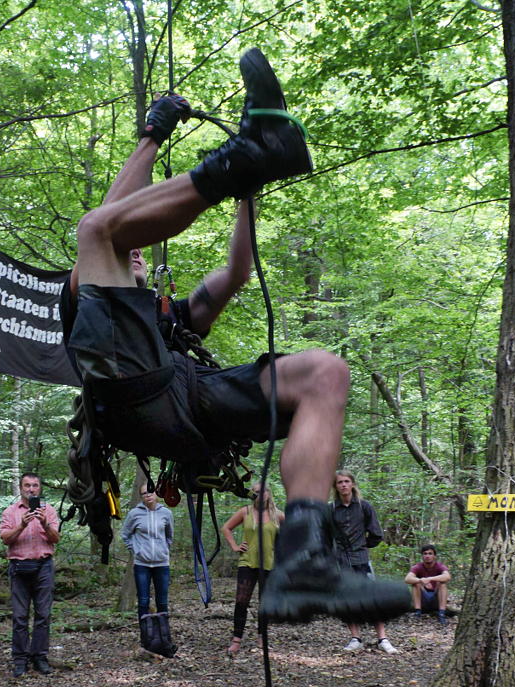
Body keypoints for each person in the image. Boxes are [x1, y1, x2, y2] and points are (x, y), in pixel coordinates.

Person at [62, 48, 411, 626]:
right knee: (98, 229)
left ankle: (305, 558)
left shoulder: (170, 317)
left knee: (326, 373)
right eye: (134, 255)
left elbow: (235, 273)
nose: (140, 256)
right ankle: (245, 156)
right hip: (125, 393)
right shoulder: (88, 293)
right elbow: (112, 219)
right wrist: (151, 136)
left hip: (189, 397)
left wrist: (247, 196)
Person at [0, 473, 60, 677]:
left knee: (43, 614)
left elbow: (55, 538)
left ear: (40, 488)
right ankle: (20, 659)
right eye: (27, 485)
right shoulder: (10, 512)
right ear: (21, 488)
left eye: (35, 485)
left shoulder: (48, 510)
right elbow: (5, 539)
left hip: (43, 566)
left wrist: (44, 523)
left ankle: (40, 657)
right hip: (19, 567)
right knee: (19, 616)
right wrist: (22, 525)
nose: (31, 489)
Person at [331, 470, 398, 655]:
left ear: (352, 484)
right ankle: (355, 638)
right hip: (341, 562)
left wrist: (361, 545)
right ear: (335, 487)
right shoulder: (330, 509)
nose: (343, 485)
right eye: (339, 482)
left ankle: (383, 638)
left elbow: (376, 534)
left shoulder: (364, 506)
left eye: (346, 481)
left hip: (361, 559)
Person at [222, 483, 284, 656]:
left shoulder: (277, 515)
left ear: (269, 494)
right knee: (241, 601)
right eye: (256, 492)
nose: (260, 494)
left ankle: (262, 638)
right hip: (247, 562)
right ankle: (236, 639)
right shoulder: (245, 512)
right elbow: (226, 528)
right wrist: (235, 545)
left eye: (263, 491)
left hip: (269, 564)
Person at [121, 483, 175, 653]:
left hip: (161, 563)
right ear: (141, 496)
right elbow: (125, 535)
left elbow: (169, 536)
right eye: (144, 493)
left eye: (150, 492)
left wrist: (163, 550)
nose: (147, 495)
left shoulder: (166, 513)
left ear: (156, 493)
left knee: (162, 601)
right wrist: (136, 550)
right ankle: (146, 639)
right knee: (143, 601)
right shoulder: (134, 514)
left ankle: (164, 638)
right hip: (142, 564)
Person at [405, 544, 451, 625]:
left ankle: (441, 613)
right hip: (423, 598)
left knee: (442, 584)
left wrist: (430, 579)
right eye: (425, 553)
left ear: (434, 556)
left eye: (430, 553)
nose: (427, 556)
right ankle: (418, 612)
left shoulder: (439, 566)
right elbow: (407, 579)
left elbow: (447, 576)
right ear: (422, 556)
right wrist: (420, 580)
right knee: (416, 584)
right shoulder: (418, 566)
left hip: (436, 598)